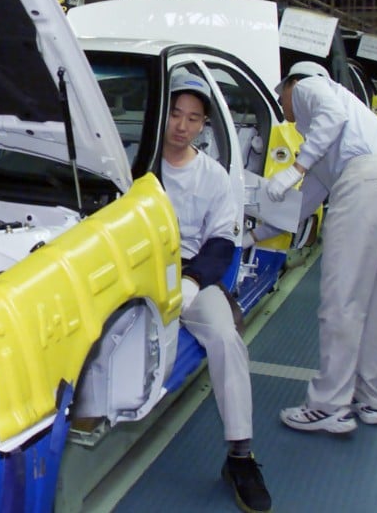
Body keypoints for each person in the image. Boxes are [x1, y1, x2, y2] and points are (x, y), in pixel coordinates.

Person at [256, 60, 377, 433]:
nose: (283, 110)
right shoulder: (331, 137)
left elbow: (328, 118)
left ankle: (329, 405)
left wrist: (294, 168)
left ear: (290, 84)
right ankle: (371, 399)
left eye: (281, 99)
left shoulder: (311, 86)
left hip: (365, 182)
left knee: (341, 299)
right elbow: (303, 205)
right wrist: (254, 235)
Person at [162, 74, 272, 513]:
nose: (181, 126)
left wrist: (191, 280)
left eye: (192, 118)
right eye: (174, 114)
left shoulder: (213, 177)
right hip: (135, 270)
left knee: (227, 338)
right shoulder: (134, 165)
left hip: (192, 276)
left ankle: (240, 457)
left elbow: (222, 242)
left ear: (203, 125)